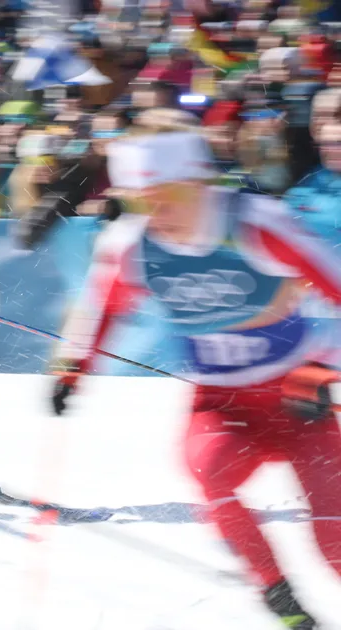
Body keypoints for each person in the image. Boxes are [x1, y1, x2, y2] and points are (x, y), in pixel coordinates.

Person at [49, 130, 341, 629]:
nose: (160, 213)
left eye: (173, 196)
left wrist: (320, 371)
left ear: (202, 183)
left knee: (333, 544)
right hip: (221, 403)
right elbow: (104, 305)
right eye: (144, 201)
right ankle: (277, 593)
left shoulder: (254, 224)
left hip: (295, 399)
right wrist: (73, 370)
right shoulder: (132, 245)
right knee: (208, 468)